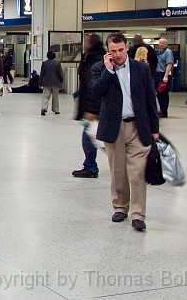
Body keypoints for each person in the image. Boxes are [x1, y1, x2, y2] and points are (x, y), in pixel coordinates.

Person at [90, 32, 159, 232]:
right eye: (113, 51)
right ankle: (120, 207)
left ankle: (138, 214)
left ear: (127, 48)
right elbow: (94, 92)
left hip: (138, 126)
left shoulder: (141, 69)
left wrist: (154, 128)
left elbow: (149, 99)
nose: (118, 54)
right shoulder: (100, 68)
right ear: (108, 52)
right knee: (118, 171)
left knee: (137, 172)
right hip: (114, 127)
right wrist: (108, 72)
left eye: (121, 50)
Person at [72, 34, 106, 179]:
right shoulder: (91, 58)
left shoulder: (96, 60)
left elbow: (95, 86)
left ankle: (90, 166)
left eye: (87, 41)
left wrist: (92, 108)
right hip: (91, 105)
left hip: (94, 108)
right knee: (95, 137)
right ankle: (90, 165)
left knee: (90, 137)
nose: (84, 43)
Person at [39, 51, 64, 116]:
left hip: (46, 82)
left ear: (47, 56)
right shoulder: (57, 63)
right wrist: (61, 80)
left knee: (46, 96)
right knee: (55, 97)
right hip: (56, 82)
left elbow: (42, 74)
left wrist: (40, 82)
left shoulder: (44, 63)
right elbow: (60, 73)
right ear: (54, 56)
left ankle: (43, 108)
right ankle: (56, 110)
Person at [154, 38, 174, 117]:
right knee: (159, 93)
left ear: (166, 44)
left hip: (163, 74)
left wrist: (166, 76)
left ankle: (164, 111)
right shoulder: (159, 53)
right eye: (160, 43)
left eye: (162, 43)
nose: (161, 45)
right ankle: (161, 109)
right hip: (158, 74)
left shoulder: (168, 52)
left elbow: (169, 65)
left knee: (164, 94)